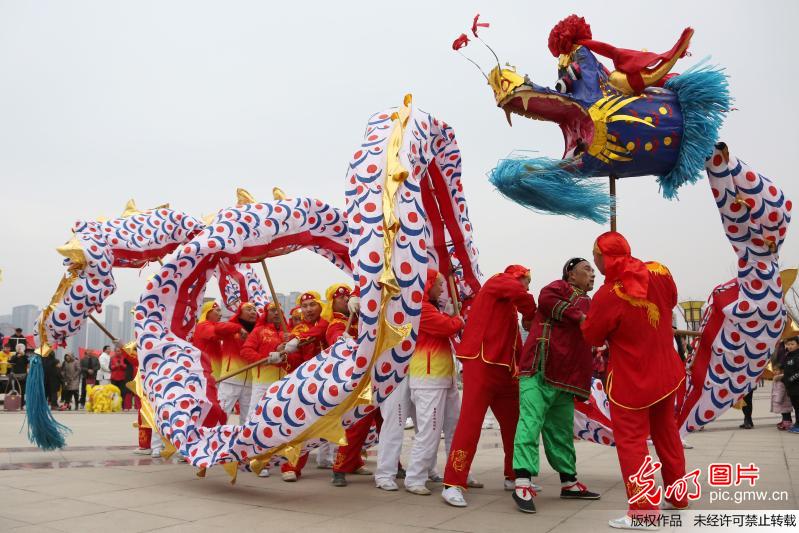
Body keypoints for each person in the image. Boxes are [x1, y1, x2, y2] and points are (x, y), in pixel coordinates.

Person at [581, 232, 687, 528]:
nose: (595, 262)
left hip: (632, 380)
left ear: (605, 257)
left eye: (596, 255)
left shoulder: (607, 295)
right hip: (667, 372)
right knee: (668, 434)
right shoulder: (659, 270)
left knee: (632, 443)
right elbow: (673, 299)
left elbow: (592, 335)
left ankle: (643, 511)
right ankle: (677, 496)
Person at [441, 265, 537, 508]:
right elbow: (521, 295)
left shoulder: (508, 306)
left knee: (515, 424)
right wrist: (531, 313)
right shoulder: (498, 282)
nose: (527, 287)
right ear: (518, 277)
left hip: (505, 371)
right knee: (470, 423)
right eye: (526, 281)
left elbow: (516, 339)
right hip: (481, 364)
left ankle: (513, 474)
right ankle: (453, 483)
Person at [512, 258, 600, 514]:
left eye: (593, 270)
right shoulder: (558, 288)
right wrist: (582, 317)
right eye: (587, 270)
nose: (592, 274)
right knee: (530, 423)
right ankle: (522, 482)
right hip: (539, 369)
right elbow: (546, 299)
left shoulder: (591, 303)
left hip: (565, 378)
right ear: (571, 275)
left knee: (561, 431)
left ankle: (569, 482)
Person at [403, 270, 464, 496]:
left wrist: (451, 317)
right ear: (427, 285)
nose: (441, 288)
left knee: (454, 427)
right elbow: (447, 328)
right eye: (438, 284)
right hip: (427, 378)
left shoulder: (434, 308)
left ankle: (456, 471)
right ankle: (414, 478)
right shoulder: (420, 308)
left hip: (444, 376)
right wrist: (457, 319)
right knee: (429, 431)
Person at [324, 283, 377, 487]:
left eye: (348, 296)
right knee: (357, 424)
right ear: (333, 302)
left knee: (385, 422)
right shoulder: (336, 323)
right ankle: (339, 469)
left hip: (373, 375)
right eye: (341, 298)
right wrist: (343, 340)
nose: (346, 300)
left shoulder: (359, 318)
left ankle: (393, 465)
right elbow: (336, 341)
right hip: (354, 381)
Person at [280, 291, 329, 482]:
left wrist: (296, 341)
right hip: (307, 385)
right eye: (305, 306)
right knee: (300, 426)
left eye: (312, 304)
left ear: (321, 306)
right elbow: (294, 358)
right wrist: (282, 353)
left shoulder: (327, 323)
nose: (308, 309)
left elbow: (320, 331)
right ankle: (291, 466)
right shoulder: (298, 329)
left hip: (331, 382)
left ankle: (350, 462)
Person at [240, 302, 289, 477]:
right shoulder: (258, 331)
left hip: (284, 384)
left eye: (279, 310)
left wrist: (286, 351)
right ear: (266, 313)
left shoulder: (288, 334)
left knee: (280, 421)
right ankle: (253, 458)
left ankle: (275, 457)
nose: (276, 313)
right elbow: (246, 351)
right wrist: (266, 358)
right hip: (262, 382)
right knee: (256, 418)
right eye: (272, 310)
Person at [192, 301, 236, 427]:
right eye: (217, 311)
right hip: (205, 374)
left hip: (215, 375)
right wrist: (236, 328)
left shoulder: (212, 327)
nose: (220, 314)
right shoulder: (202, 326)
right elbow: (217, 333)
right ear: (207, 312)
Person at [215, 302, 259, 421]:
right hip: (231, 378)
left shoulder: (259, 331)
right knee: (222, 413)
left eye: (255, 309)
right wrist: (238, 328)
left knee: (248, 418)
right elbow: (218, 328)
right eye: (249, 309)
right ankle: (215, 437)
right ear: (240, 313)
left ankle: (244, 439)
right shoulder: (232, 327)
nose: (253, 312)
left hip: (251, 381)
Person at [771, 342, 795, 430]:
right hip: (784, 400)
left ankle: (787, 423)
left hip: (783, 399)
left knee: (785, 410)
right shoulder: (780, 346)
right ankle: (785, 421)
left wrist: (777, 399)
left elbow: (781, 391)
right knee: (784, 411)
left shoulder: (780, 381)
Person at [782, 336, 799, 434]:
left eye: (792, 344)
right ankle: (797, 424)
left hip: (796, 386)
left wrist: (789, 379)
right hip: (791, 388)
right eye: (788, 344)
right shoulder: (789, 355)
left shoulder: (797, 356)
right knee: (796, 406)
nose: (790, 346)